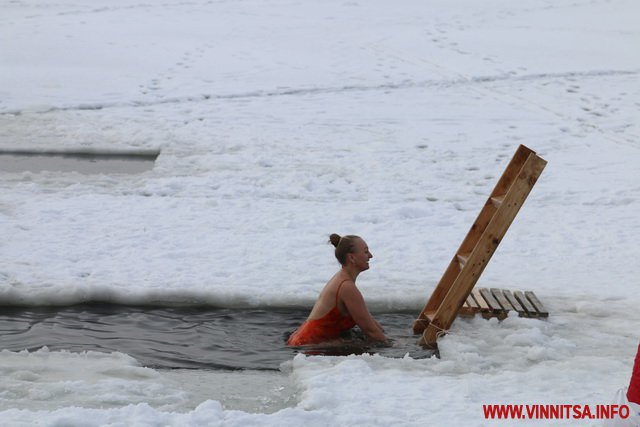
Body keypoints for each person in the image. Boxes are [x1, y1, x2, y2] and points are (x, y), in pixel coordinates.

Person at [287, 233, 388, 346]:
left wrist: (387, 337)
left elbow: (373, 326)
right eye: (365, 252)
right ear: (352, 258)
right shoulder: (346, 286)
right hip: (308, 346)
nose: (370, 256)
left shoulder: (343, 280)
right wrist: (394, 349)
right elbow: (372, 332)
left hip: (305, 341)